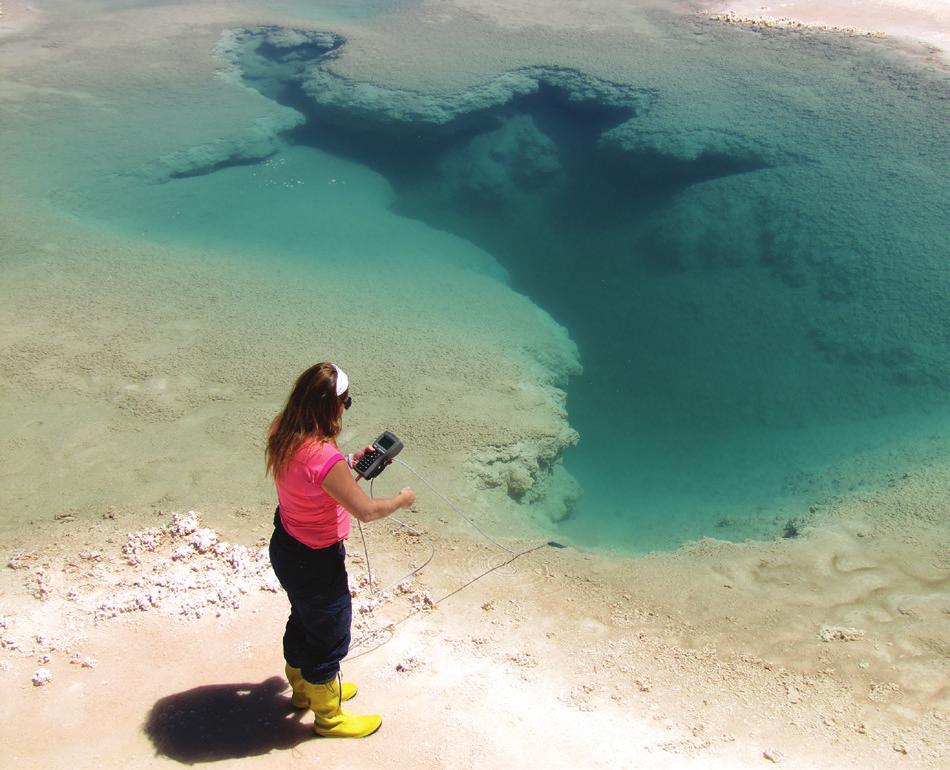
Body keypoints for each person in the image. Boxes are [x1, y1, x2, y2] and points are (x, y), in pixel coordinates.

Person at [265, 362, 415, 738]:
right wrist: (400, 500)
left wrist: (348, 464)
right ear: (328, 405)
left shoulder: (282, 431)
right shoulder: (323, 457)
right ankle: (328, 717)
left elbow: (312, 479)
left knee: (303, 617)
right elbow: (365, 511)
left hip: (285, 546)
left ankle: (304, 693)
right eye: (346, 402)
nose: (347, 407)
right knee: (330, 633)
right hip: (316, 560)